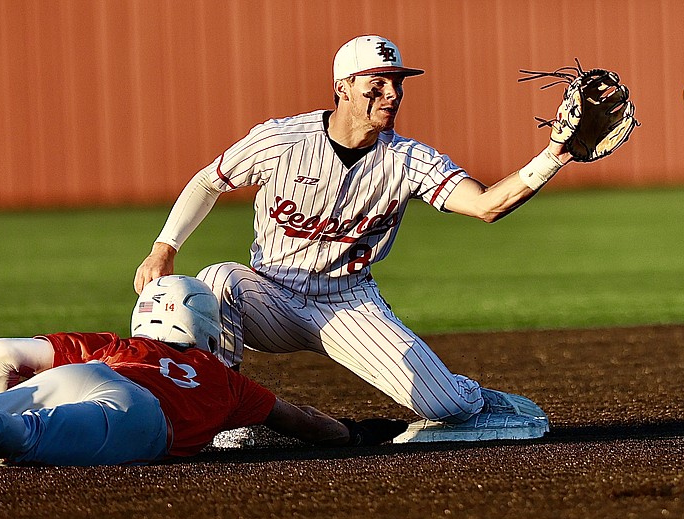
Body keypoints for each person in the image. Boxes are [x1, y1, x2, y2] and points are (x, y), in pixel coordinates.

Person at [133, 35, 569, 429]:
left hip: (348, 305)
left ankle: (471, 399)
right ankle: (226, 415)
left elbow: (486, 205)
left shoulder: (408, 159)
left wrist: (555, 155)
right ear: (343, 87)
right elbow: (210, 181)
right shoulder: (281, 139)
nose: (392, 94)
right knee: (215, 280)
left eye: (397, 83)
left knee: (443, 406)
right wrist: (164, 247)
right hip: (270, 295)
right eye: (376, 84)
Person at [0, 276, 407, 466]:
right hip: (140, 414)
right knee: (18, 441)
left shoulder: (118, 344)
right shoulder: (226, 380)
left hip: (85, 373)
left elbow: (1, 352)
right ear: (204, 323)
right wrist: (354, 434)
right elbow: (303, 423)